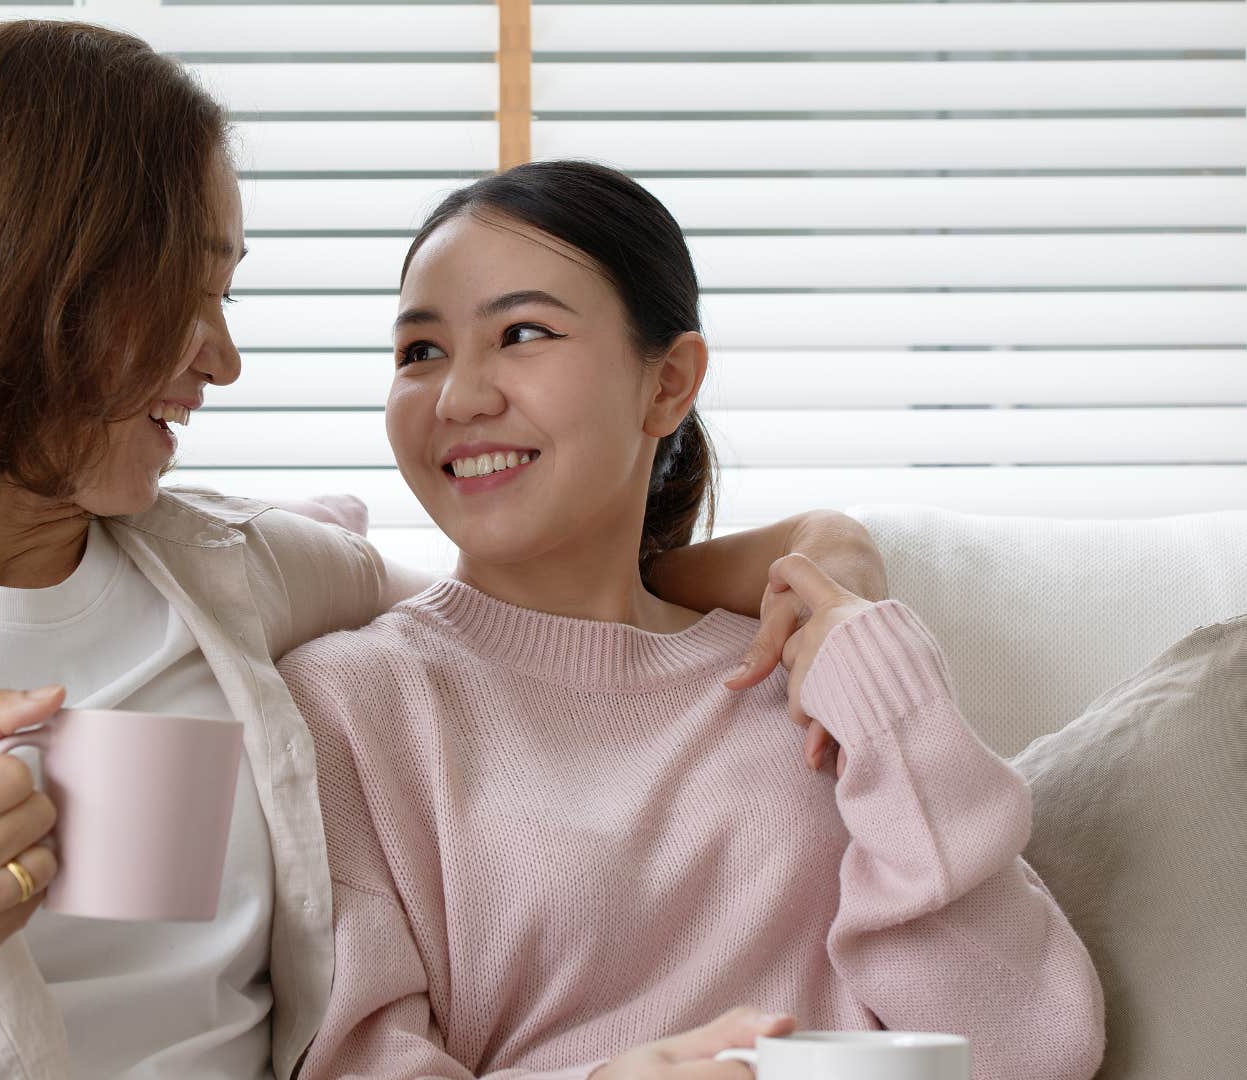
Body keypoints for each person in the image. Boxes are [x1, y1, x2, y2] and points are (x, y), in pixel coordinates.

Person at [0, 24, 891, 1080]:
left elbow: (525, 609)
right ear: (29, 291)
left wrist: (783, 557)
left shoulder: (243, 582)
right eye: (189, 296)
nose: (221, 362)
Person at [278, 160, 1106, 1080]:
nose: (458, 398)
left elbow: (1031, 1050)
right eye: (418, 353)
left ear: (669, 383)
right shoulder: (347, 704)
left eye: (520, 334)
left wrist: (879, 685)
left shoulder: (823, 680)